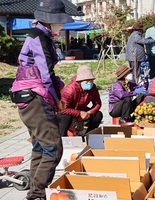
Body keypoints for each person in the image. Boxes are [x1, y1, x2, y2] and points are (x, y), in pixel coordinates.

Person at [10, 0, 73, 199]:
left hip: (28, 96)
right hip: (36, 97)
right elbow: (46, 74)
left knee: (40, 146)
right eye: (59, 22)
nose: (61, 26)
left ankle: (35, 192)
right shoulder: (39, 38)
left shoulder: (38, 34)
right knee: (53, 147)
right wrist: (57, 100)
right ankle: (37, 194)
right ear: (50, 21)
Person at [56, 65, 103, 137]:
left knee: (98, 115)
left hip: (82, 109)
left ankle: (88, 135)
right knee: (66, 117)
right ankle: (63, 137)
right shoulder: (70, 89)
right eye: (87, 81)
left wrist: (89, 113)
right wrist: (79, 113)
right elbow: (62, 109)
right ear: (80, 81)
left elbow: (97, 104)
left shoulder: (93, 88)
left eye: (91, 81)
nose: (89, 83)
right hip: (67, 111)